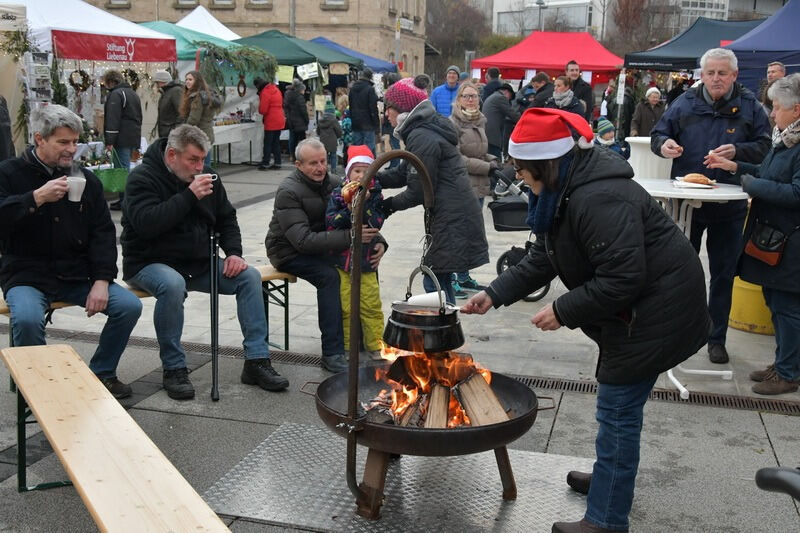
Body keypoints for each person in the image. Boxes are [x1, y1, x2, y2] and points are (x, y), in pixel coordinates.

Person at [462, 107, 710, 533]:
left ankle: (606, 519)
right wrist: (494, 293)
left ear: (547, 163)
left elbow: (622, 278)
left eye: (523, 170)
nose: (519, 178)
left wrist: (563, 310)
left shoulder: (597, 197)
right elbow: (545, 256)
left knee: (617, 413)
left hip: (657, 314)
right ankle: (609, 481)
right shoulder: (563, 188)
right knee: (617, 411)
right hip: (644, 308)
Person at [121, 125, 288, 399]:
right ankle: (174, 368)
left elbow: (227, 218)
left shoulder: (208, 177)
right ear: (172, 155)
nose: (200, 168)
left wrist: (234, 253)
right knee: (172, 284)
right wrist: (189, 196)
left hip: (198, 261)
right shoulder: (142, 178)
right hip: (149, 261)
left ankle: (257, 360)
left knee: (249, 277)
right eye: (193, 160)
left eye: (203, 160)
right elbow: (146, 225)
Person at [0, 104, 142, 399]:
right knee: (26, 319)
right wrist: (36, 198)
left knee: (129, 306)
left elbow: (103, 233)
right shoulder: (9, 173)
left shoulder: (85, 179)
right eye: (63, 142)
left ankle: (101, 372)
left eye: (75, 142)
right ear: (39, 139)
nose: (72, 150)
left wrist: (102, 280)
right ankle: (35, 390)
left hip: (76, 274)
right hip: (27, 274)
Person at [651, 47, 771, 365]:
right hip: (685, 205)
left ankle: (716, 338)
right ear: (701, 75)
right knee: (678, 271)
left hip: (729, 206)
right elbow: (658, 133)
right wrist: (664, 145)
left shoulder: (750, 106)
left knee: (723, 274)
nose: (716, 79)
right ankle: (676, 336)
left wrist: (739, 151)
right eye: (710, 73)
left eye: (722, 73)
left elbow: (766, 147)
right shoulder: (685, 101)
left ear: (733, 75)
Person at [706, 73, 800, 395]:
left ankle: (789, 373)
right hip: (776, 238)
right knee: (776, 301)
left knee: (787, 307)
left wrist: (751, 185)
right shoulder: (786, 139)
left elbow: (796, 193)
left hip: (792, 242)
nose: (772, 113)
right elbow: (765, 172)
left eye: (776, 107)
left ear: (796, 109)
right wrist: (736, 169)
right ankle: (784, 364)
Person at [266, 138, 385, 373]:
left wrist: (379, 242)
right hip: (288, 251)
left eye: (323, 161)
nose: (320, 168)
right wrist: (353, 237)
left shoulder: (334, 183)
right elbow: (302, 240)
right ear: (298, 164)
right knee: (330, 276)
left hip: (324, 244)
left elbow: (361, 216)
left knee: (364, 263)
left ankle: (363, 340)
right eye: (313, 163)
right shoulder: (288, 191)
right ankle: (332, 352)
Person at [378, 76, 489, 304]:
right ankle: (449, 331)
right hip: (453, 213)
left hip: (452, 216)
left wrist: (385, 206)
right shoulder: (421, 131)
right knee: (441, 277)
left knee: (434, 279)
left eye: (387, 108)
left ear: (400, 108)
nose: (385, 114)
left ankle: (446, 332)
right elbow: (403, 174)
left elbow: (418, 190)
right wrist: (371, 179)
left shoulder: (421, 135)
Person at [325, 145, 386, 360]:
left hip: (366, 263)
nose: (361, 175)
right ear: (349, 172)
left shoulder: (376, 194)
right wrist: (349, 209)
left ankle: (376, 346)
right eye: (357, 171)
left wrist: (365, 202)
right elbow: (331, 223)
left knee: (370, 305)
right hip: (342, 262)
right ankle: (349, 348)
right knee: (347, 308)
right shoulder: (338, 194)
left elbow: (377, 221)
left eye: (366, 171)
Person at [450, 81, 498, 297]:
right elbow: (457, 158)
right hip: (462, 186)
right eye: (466, 96)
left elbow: (480, 152)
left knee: (471, 234)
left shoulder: (479, 121)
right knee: (458, 234)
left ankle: (463, 275)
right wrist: (487, 166)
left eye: (474, 96)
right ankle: (451, 278)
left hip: (479, 186)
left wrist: (495, 161)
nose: (471, 99)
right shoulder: (453, 124)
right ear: (458, 100)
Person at [103, 69, 142, 211]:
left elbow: (113, 119)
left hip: (121, 138)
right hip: (132, 136)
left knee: (121, 170)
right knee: (125, 169)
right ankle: (127, 199)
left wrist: (109, 141)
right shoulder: (132, 94)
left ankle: (125, 201)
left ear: (112, 81)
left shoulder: (116, 95)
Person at [180, 70, 221, 167]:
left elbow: (193, 119)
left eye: (190, 79)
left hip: (199, 135)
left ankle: (206, 182)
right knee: (204, 164)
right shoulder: (205, 94)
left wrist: (182, 130)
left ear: (197, 81)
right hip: (205, 134)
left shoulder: (197, 97)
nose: (187, 82)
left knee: (202, 166)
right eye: (186, 79)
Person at [483, 82, 520, 159]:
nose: (509, 100)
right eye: (510, 97)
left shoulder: (493, 96)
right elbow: (512, 114)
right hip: (493, 136)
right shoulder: (500, 98)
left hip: (488, 134)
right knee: (496, 160)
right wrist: (524, 120)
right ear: (506, 92)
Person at [255, 76, 285, 170]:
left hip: (271, 120)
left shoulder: (265, 92)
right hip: (279, 118)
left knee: (267, 143)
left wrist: (259, 109)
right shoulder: (276, 89)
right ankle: (278, 162)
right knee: (276, 142)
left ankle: (265, 162)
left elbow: (263, 110)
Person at [348, 68, 380, 153]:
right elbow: (373, 109)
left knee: (357, 148)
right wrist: (377, 125)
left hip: (356, 123)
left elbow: (350, 106)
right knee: (369, 149)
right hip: (368, 123)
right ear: (370, 77)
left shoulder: (352, 89)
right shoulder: (370, 89)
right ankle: (368, 165)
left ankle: (358, 165)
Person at [283, 79, 309, 162]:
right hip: (300, 122)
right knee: (302, 141)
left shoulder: (287, 94)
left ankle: (292, 155)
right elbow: (303, 111)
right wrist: (306, 120)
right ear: (300, 89)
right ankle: (301, 156)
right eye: (303, 90)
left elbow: (285, 108)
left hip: (291, 121)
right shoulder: (299, 97)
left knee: (292, 139)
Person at [153, 69, 183, 139]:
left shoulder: (176, 91)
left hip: (172, 135)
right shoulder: (165, 93)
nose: (156, 85)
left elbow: (182, 113)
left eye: (157, 82)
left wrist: (175, 131)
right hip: (166, 134)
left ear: (162, 81)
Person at [316, 100, 342, 174]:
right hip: (332, 141)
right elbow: (339, 131)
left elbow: (318, 131)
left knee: (324, 157)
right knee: (333, 156)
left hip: (323, 141)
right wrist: (338, 136)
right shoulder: (334, 120)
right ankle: (333, 170)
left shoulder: (320, 120)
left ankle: (325, 169)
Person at [760, 61, 786, 125]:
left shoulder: (789, 88)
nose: (769, 75)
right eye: (768, 72)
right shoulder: (763, 90)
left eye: (773, 72)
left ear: (783, 73)